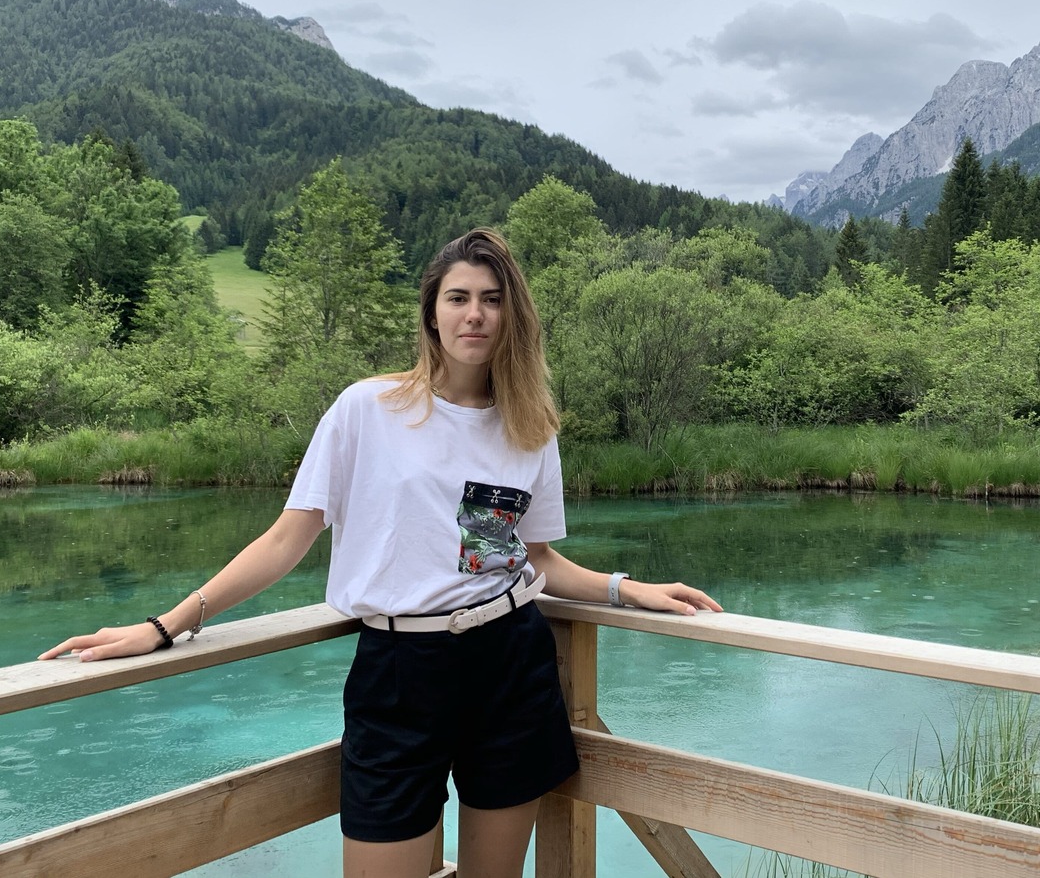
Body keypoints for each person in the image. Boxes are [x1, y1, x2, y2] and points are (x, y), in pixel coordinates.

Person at [40, 227, 721, 878]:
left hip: (509, 666)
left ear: (512, 315)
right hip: (398, 671)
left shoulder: (529, 428)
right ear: (431, 313)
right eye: (458, 297)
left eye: (492, 299)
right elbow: (286, 539)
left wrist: (624, 588)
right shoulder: (368, 409)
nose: (475, 314)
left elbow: (526, 557)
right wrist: (168, 624)